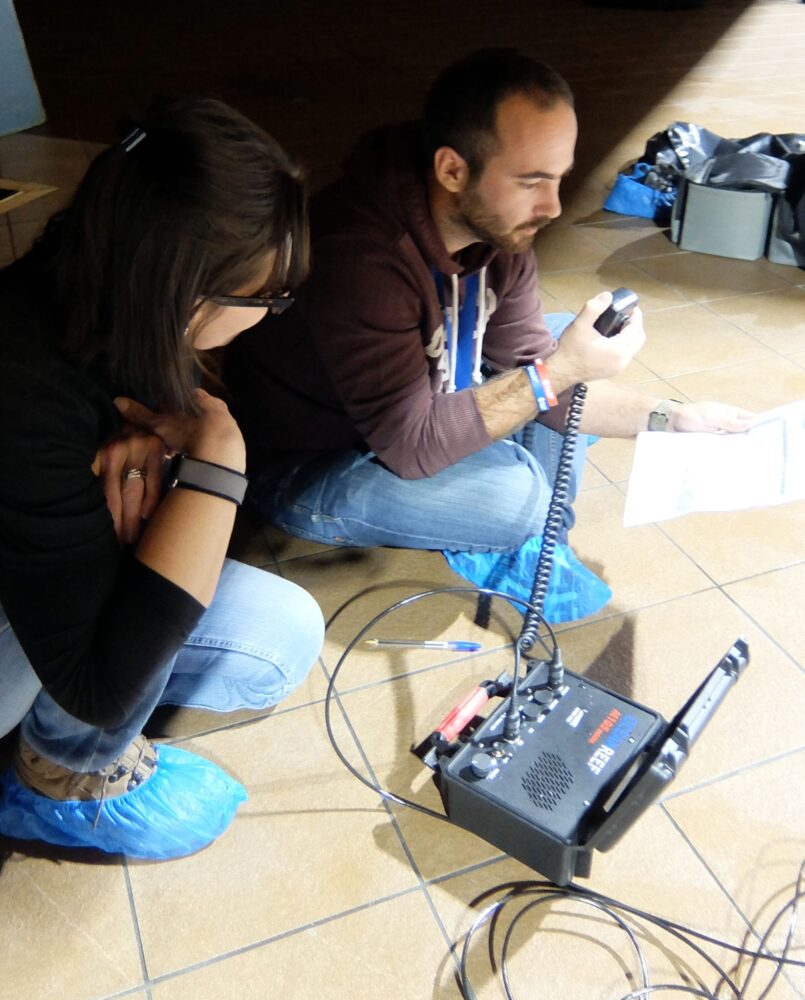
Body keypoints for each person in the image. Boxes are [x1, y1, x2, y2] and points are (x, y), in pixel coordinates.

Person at [222, 48, 753, 616]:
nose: (552, 206)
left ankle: (528, 525)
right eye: (531, 181)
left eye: (559, 178)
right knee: (520, 495)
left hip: (422, 401)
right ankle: (528, 527)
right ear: (452, 170)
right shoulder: (360, 259)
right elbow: (413, 444)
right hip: (314, 460)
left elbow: (540, 374)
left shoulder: (503, 229)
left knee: (553, 343)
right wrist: (558, 373)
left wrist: (671, 417)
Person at [0, 97, 324, 860]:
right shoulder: (25, 392)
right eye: (267, 296)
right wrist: (218, 457)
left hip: (44, 592)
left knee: (282, 638)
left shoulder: (98, 285)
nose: (272, 313)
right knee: (143, 597)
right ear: (185, 293)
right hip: (42, 638)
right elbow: (98, 687)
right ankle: (58, 775)